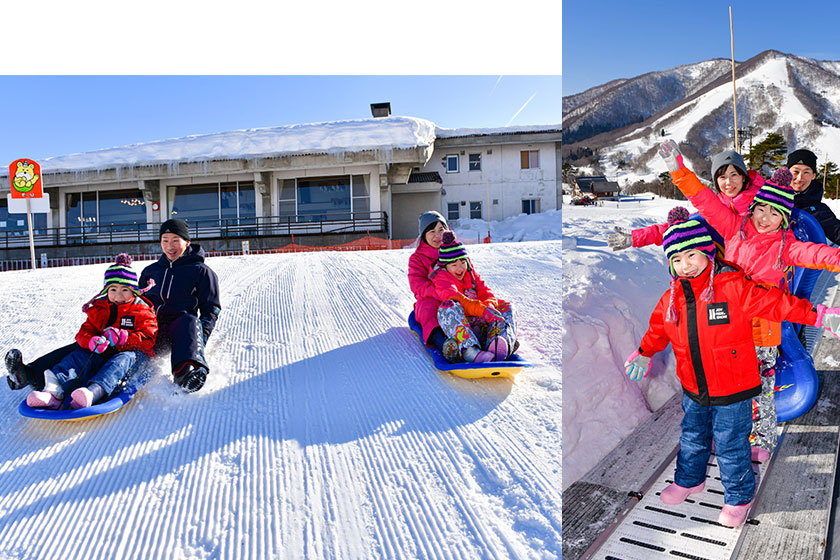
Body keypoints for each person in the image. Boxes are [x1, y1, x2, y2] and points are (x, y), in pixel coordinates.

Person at [623, 215, 840, 527]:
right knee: (693, 437)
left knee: (730, 443)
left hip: (734, 387)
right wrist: (644, 353)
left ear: (709, 252)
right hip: (694, 388)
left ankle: (738, 497)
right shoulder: (672, 298)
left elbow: (778, 304)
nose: (687, 265)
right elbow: (659, 329)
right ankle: (689, 480)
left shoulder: (733, 286)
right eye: (678, 259)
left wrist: (820, 316)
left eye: (693, 255)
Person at [660, 139, 840, 460]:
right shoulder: (733, 229)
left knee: (762, 387)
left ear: (784, 219)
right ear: (752, 208)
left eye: (775, 213)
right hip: (729, 323)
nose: (765, 217)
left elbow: (818, 253)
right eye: (761, 209)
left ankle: (762, 440)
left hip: (763, 327)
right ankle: (730, 433)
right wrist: (679, 171)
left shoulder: (786, 246)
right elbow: (703, 200)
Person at [26, 254, 157, 409]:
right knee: (79, 356)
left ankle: (93, 392)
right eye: (113, 289)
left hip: (134, 357)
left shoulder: (141, 310)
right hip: (104, 352)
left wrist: (124, 338)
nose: (118, 295)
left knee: (121, 360)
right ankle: (53, 392)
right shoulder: (100, 309)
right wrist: (90, 340)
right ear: (106, 290)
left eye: (125, 290)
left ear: (134, 291)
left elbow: (149, 338)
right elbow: (84, 332)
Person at [608, 149, 763, 251]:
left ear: (743, 176)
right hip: (731, 282)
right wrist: (637, 237)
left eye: (734, 175)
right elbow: (680, 228)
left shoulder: (765, 203)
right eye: (722, 177)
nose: (728, 183)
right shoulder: (715, 210)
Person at [139, 219, 221, 393]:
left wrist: (199, 340)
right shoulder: (150, 271)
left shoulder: (201, 271)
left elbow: (211, 309)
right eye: (165, 240)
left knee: (188, 320)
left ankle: (186, 372)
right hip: (152, 330)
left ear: (187, 242)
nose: (170, 246)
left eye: (176, 240)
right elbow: (137, 303)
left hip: (180, 331)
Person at [434, 231, 516, 363]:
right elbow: (458, 299)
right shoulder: (442, 279)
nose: (460, 268)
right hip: (462, 326)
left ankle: (499, 344)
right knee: (448, 307)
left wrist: (489, 306)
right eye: (454, 265)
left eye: (462, 263)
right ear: (445, 266)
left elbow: (486, 292)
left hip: (482, 323)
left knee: (505, 306)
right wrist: (482, 310)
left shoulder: (471, 274)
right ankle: (470, 351)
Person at [408, 211, 461, 361]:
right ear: (424, 235)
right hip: (431, 298)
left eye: (441, 230)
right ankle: (445, 344)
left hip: (454, 295)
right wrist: (440, 293)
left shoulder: (455, 252)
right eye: (432, 232)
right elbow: (417, 285)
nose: (437, 235)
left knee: (470, 307)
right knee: (428, 309)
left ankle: (490, 339)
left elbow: (466, 272)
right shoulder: (417, 259)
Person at [789, 148, 840, 245]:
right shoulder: (769, 199)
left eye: (806, 172)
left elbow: (835, 230)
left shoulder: (818, 210)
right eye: (796, 171)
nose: (800, 178)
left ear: (813, 176)